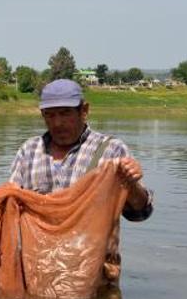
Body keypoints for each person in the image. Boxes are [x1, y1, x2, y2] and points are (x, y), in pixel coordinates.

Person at [9, 78, 153, 221]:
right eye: (50, 114)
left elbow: (139, 213)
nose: (57, 123)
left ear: (84, 111)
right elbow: (11, 206)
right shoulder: (29, 150)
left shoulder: (111, 150)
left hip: (90, 243)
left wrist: (131, 183)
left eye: (65, 113)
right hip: (36, 243)